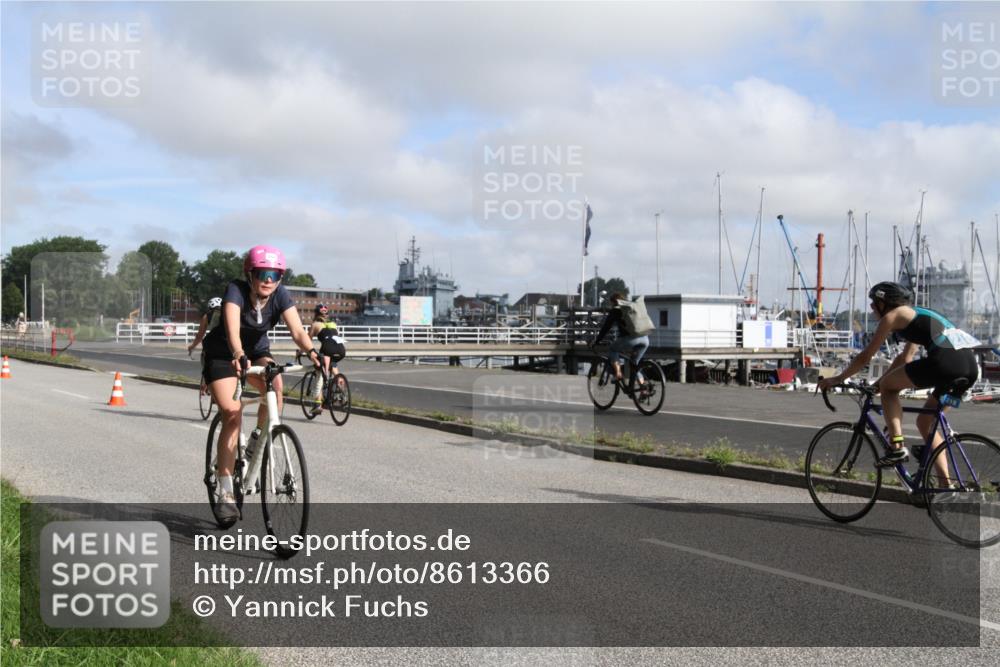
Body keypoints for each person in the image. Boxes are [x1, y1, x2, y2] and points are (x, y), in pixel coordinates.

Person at [201, 245, 321, 526]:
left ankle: (257, 439)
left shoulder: (280, 294)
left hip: (257, 352)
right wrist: (238, 354)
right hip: (224, 353)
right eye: (264, 273)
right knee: (232, 413)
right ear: (250, 274)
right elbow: (231, 330)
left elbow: (297, 331)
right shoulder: (236, 290)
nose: (269, 279)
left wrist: (313, 353)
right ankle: (226, 492)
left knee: (275, 385)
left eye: (276, 274)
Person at [818, 281, 980, 468]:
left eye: (874, 302)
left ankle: (896, 447)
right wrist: (877, 383)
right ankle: (947, 488)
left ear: (885, 303)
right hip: (969, 369)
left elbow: (865, 357)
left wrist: (838, 379)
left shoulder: (892, 317)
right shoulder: (920, 315)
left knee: (889, 389)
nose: (871, 307)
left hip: (946, 365)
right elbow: (905, 358)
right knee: (926, 422)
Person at [592, 292, 650, 392]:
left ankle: (618, 373)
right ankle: (643, 389)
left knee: (613, 349)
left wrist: (597, 341)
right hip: (645, 338)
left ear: (613, 302)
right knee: (634, 364)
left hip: (631, 339)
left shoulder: (615, 310)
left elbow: (606, 327)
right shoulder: (631, 307)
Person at [306, 304, 347, 415]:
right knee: (333, 368)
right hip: (341, 348)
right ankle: (341, 394)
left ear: (315, 314)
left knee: (320, 373)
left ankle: (317, 404)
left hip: (327, 348)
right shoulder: (333, 324)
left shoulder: (315, 324)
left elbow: (306, 341)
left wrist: (300, 352)